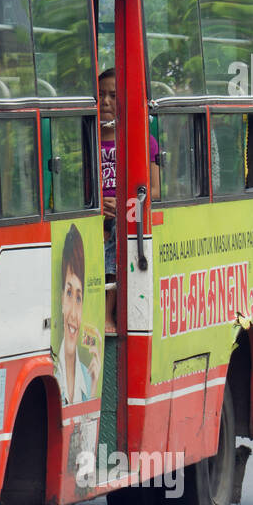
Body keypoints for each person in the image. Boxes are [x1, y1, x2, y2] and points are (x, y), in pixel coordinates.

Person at [98, 67, 161, 278]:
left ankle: (109, 305)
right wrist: (97, 206)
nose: (105, 101)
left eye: (113, 96)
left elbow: (154, 190)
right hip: (94, 216)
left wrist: (122, 203)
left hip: (126, 215)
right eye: (100, 95)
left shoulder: (143, 142)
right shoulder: (85, 140)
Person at [54, 223, 100, 406]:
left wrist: (95, 386)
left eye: (79, 298)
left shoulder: (89, 377)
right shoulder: (51, 372)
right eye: (69, 293)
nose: (73, 313)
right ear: (61, 300)